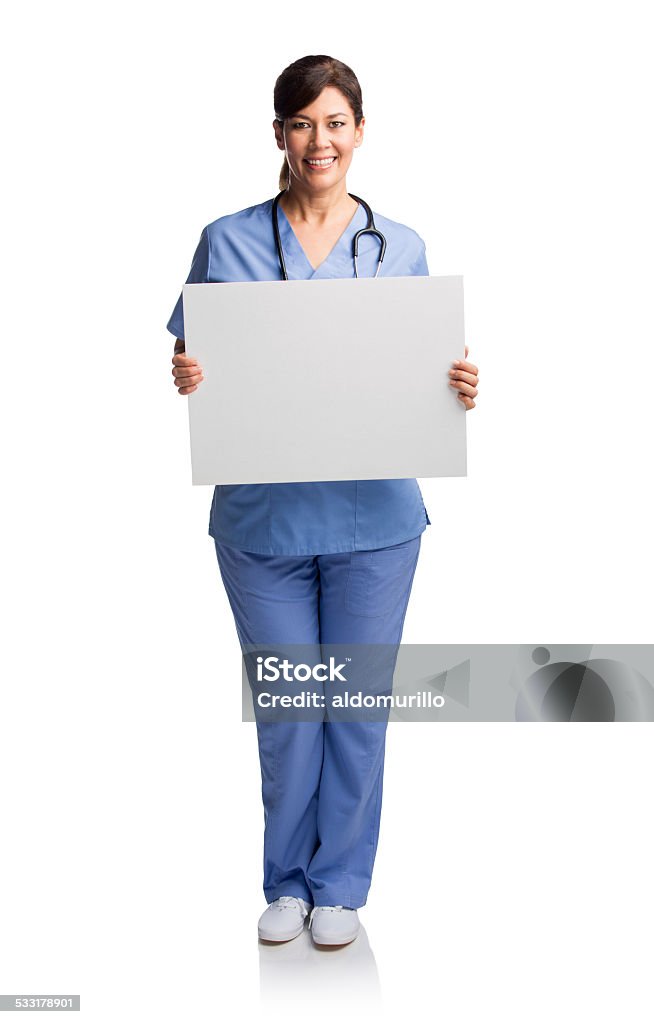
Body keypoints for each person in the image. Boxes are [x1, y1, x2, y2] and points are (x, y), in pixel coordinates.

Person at [166, 54, 479, 947]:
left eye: (335, 122)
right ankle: (286, 882)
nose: (319, 140)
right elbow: (194, 359)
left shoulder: (402, 247)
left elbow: (425, 371)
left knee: (355, 708)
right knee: (289, 709)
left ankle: (339, 884)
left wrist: (455, 386)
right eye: (302, 123)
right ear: (279, 135)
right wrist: (187, 372)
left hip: (375, 522)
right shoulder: (225, 240)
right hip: (263, 522)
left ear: (359, 133)